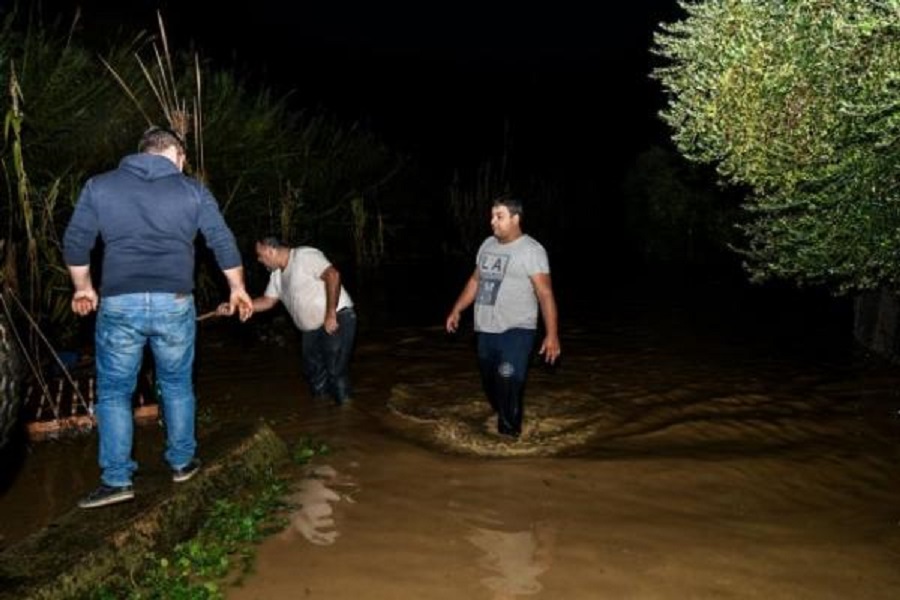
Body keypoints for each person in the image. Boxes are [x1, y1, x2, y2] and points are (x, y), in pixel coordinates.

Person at [63, 126, 254, 509]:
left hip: (119, 303)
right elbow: (221, 239)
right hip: (175, 302)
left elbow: (76, 241)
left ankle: (117, 480)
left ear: (142, 152)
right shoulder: (192, 190)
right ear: (177, 154)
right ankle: (182, 461)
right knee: (177, 383)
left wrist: (83, 287)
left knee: (116, 392)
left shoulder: (100, 186)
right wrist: (237, 288)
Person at [445, 195, 560, 438]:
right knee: (492, 384)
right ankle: (508, 412)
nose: (492, 222)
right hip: (485, 329)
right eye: (492, 216)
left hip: (518, 328)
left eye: (499, 216)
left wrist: (552, 335)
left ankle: (508, 436)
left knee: (508, 375)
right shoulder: (487, 245)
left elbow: (545, 293)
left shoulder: (532, 251)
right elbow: (475, 281)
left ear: (516, 218)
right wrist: (457, 309)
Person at [217, 236, 357, 405]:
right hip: (310, 331)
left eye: (260, 255)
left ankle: (348, 413)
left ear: (270, 249)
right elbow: (267, 301)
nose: (259, 260)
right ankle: (323, 419)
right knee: (314, 375)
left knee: (335, 370)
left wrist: (330, 313)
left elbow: (333, 275)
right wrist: (235, 306)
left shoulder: (304, 256)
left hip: (337, 317)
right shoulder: (276, 276)